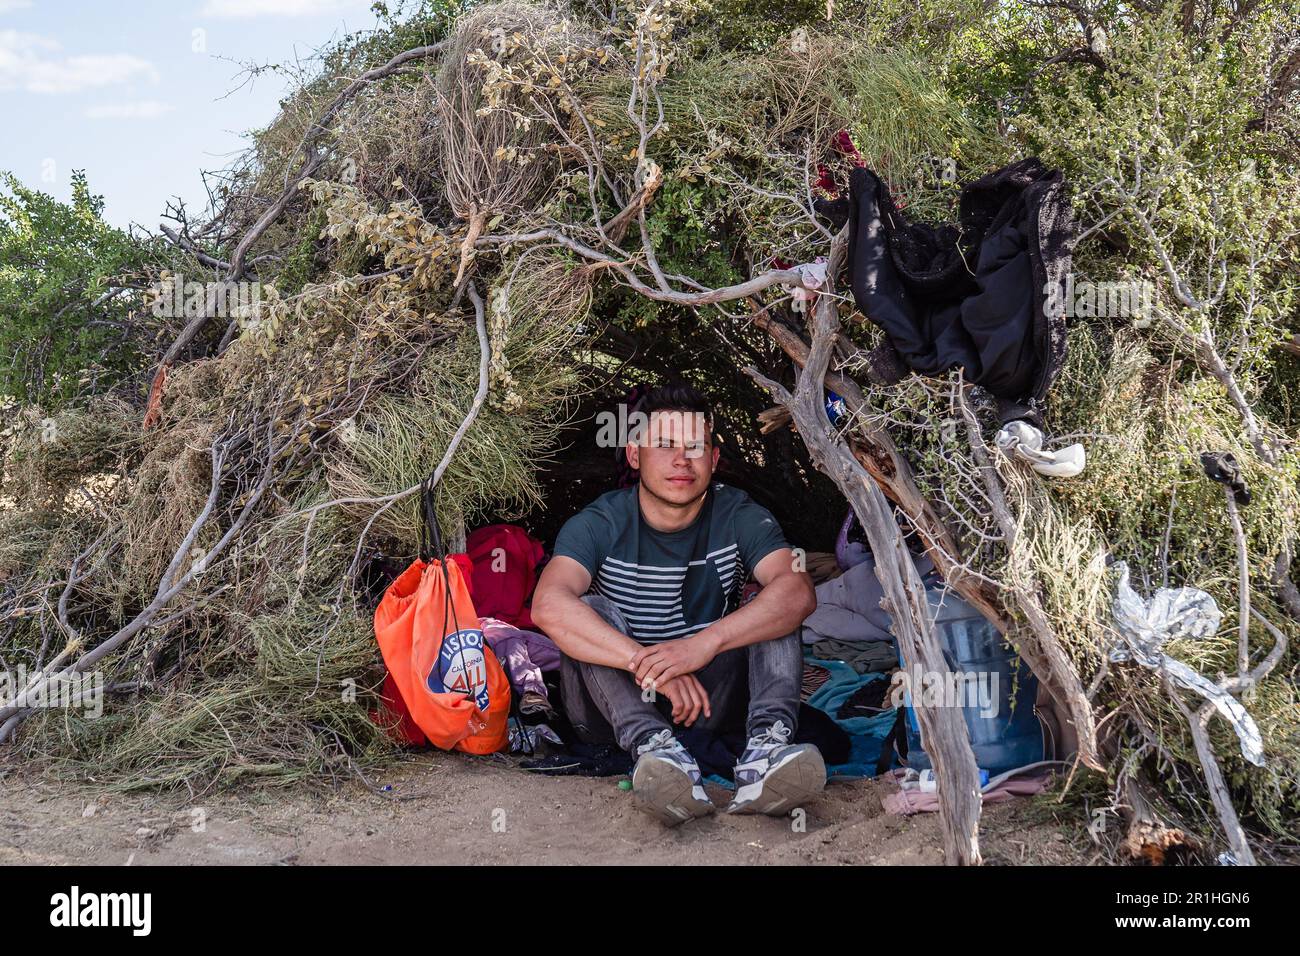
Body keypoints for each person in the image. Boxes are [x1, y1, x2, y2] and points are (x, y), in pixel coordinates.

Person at [531, 384, 824, 825]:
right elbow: (548, 606)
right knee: (588, 609)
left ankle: (766, 751)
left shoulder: (739, 514)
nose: (681, 460)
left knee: (775, 600)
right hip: (608, 709)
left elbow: (798, 591)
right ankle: (655, 752)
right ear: (635, 455)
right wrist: (649, 666)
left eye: (694, 447)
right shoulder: (599, 521)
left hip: (708, 701)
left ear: (713, 459)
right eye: (664, 445)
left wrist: (700, 646)